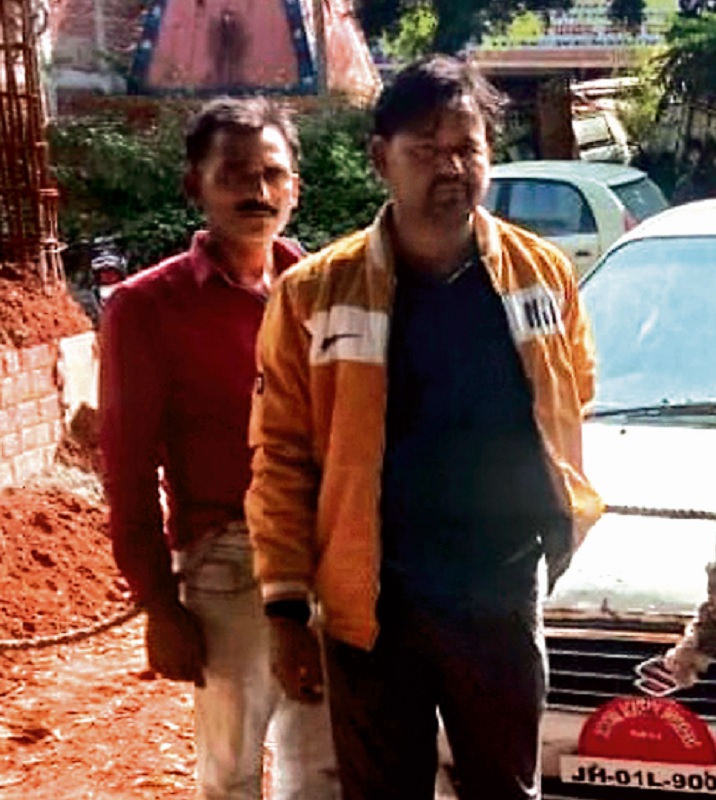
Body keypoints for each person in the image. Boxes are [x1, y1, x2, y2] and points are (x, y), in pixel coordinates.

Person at [245, 55, 602, 800]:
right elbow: (280, 455)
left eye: (467, 148)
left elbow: (576, 394)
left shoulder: (541, 276)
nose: (451, 167)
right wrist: (284, 609)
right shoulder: (315, 293)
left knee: (506, 788)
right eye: (426, 149)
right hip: (372, 602)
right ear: (381, 159)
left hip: (501, 591)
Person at [99, 97, 340, 800]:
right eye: (234, 174)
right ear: (194, 185)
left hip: (328, 553)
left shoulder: (321, 290)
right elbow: (127, 470)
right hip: (228, 565)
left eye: (272, 174)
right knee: (231, 776)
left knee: (322, 772)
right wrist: (159, 605)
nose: (257, 192)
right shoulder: (147, 307)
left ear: (295, 187)